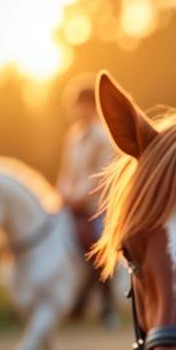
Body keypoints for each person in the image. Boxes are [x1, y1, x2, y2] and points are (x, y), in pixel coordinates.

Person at [57, 73, 119, 329]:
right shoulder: (73, 137)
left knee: (99, 247)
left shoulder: (102, 137)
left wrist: (79, 197)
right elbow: (66, 171)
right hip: (72, 202)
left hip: (95, 206)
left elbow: (101, 175)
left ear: (88, 105)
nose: (74, 111)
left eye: (77, 105)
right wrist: (61, 194)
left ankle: (106, 307)